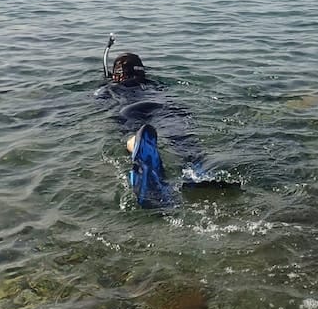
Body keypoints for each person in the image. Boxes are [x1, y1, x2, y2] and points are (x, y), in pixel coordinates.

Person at [95, 36, 233, 206]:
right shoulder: (154, 84)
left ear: (116, 75)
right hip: (166, 107)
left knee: (130, 135)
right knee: (183, 140)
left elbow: (101, 104)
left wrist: (104, 86)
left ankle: (139, 146)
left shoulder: (112, 87)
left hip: (132, 109)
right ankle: (199, 172)